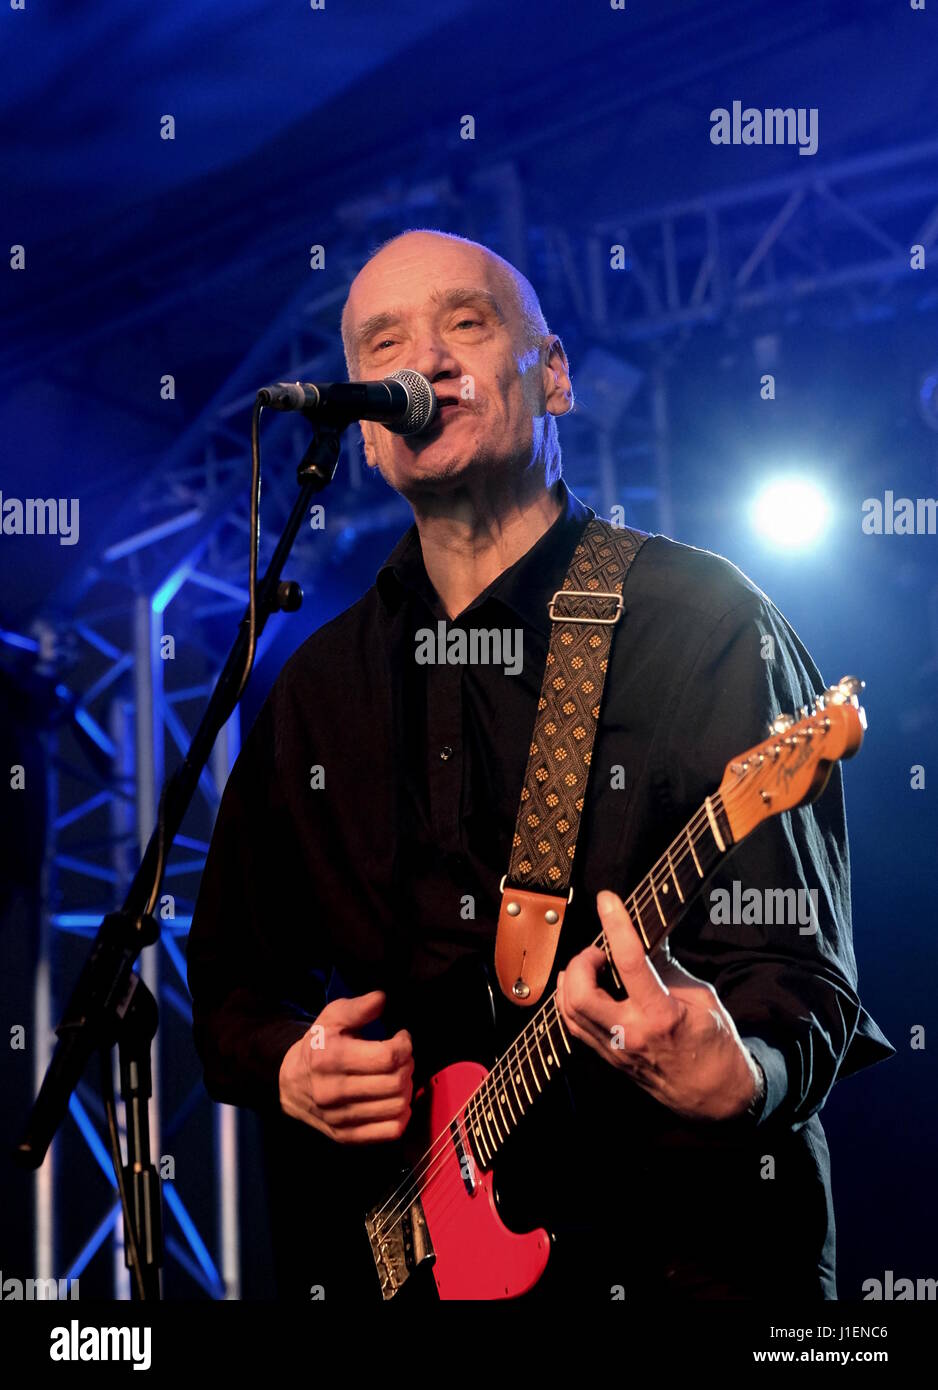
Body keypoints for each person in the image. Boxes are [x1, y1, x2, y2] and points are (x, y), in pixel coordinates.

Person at [186, 228, 893, 1302]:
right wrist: (291, 1068)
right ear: (368, 435)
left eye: (464, 323)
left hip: (682, 1260)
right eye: (384, 342)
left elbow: (799, 972)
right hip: (407, 1264)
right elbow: (231, 982)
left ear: (551, 374)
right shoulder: (314, 690)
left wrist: (746, 1071)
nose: (422, 360)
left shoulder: (700, 622)